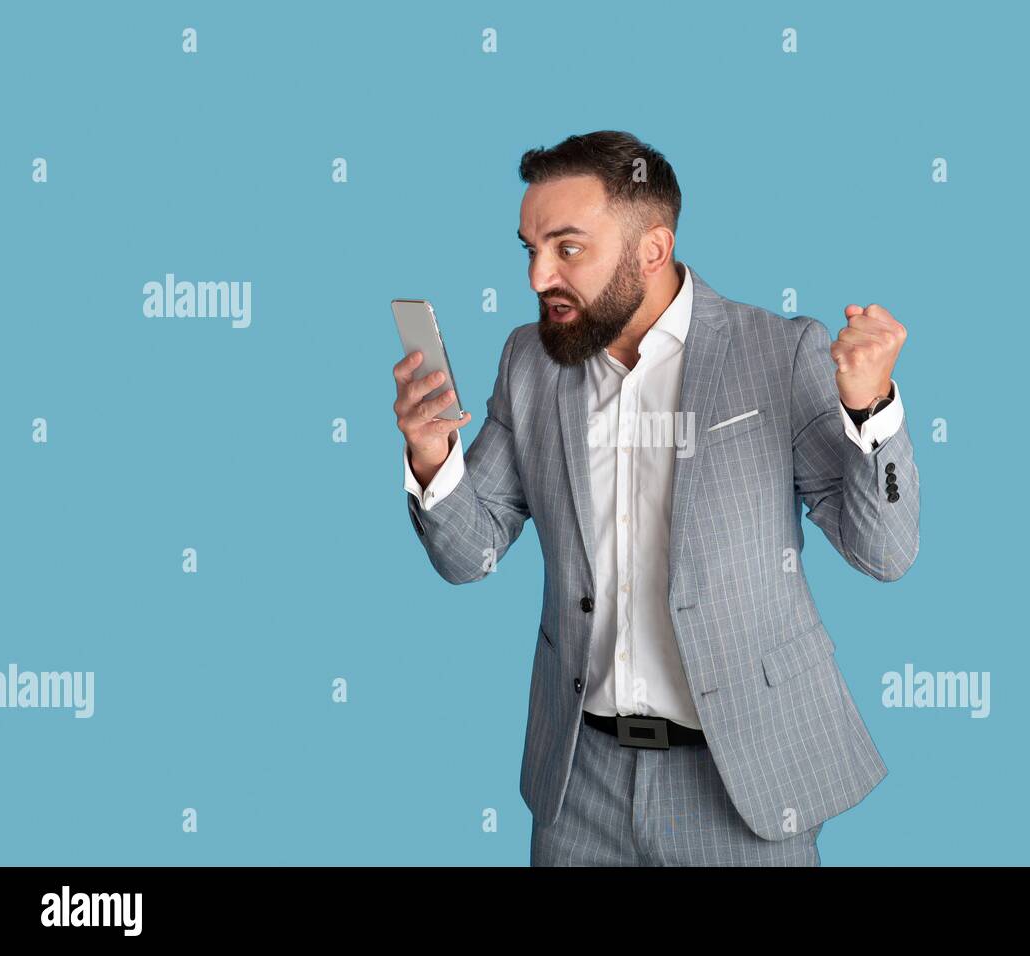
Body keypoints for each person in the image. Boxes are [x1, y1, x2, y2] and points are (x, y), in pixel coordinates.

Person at [392, 130, 919, 866]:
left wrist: (873, 409)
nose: (538, 276)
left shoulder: (779, 352)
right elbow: (466, 554)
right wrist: (429, 453)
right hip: (580, 786)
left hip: (743, 784)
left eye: (566, 248)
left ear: (652, 249)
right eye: (529, 249)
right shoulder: (529, 362)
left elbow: (884, 553)